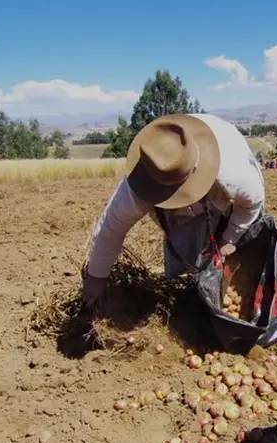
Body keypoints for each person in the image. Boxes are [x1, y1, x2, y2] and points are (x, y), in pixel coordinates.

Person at [80, 113, 266, 307]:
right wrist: (96, 277)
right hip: (184, 200)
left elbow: (251, 204)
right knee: (187, 247)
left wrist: (230, 239)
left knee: (244, 248)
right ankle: (196, 293)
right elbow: (109, 230)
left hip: (226, 185)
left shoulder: (233, 174)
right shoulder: (139, 183)